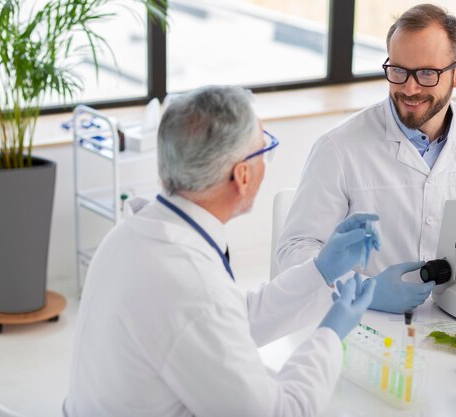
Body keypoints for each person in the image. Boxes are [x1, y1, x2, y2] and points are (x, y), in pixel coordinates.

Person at [64, 85, 382, 417]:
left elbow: (229, 319)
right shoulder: (188, 282)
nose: (266, 161)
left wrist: (320, 271)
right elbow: (283, 412)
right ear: (242, 175)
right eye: (264, 149)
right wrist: (331, 334)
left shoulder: (135, 233)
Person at [277, 4, 456, 315]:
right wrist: (363, 290)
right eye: (398, 70)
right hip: (366, 321)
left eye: (427, 73)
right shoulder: (338, 147)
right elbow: (296, 249)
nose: (409, 88)